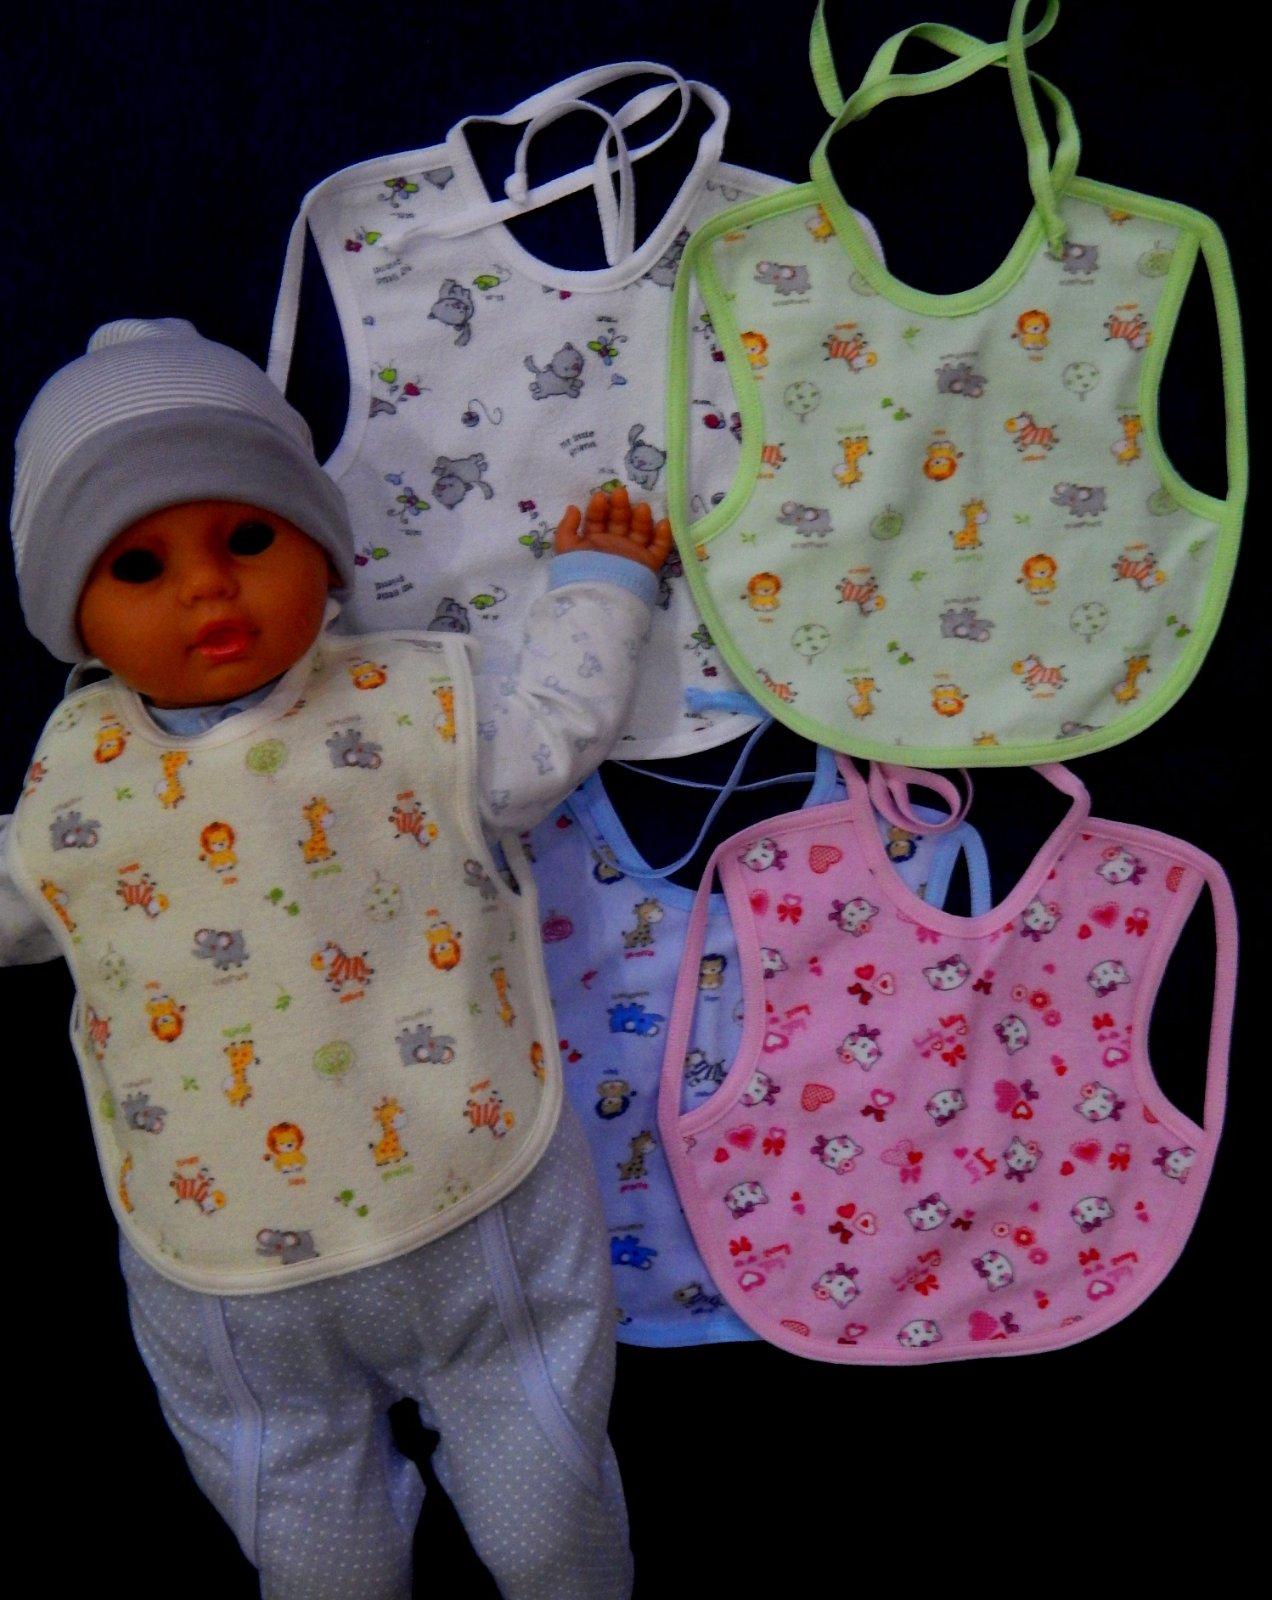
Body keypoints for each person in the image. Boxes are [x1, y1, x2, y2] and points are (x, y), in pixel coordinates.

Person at [1, 317, 672, 1600]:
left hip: (478, 1216)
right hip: (230, 1281)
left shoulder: (408, 714)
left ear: (321, 545)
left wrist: (601, 588)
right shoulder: (73, 799)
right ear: (67, 614)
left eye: (249, 538)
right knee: (317, 1567)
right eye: (139, 563)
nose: (209, 588)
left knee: (554, 1537)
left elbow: (547, 736)